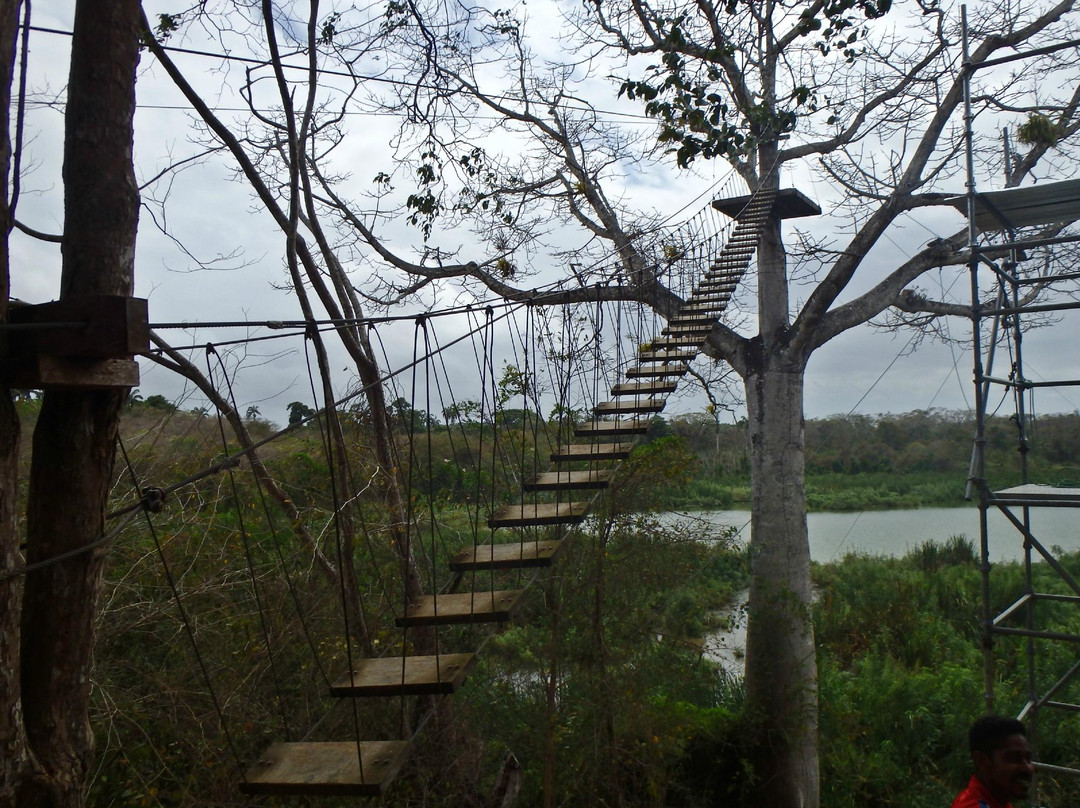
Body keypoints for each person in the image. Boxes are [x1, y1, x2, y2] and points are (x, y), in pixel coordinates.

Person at [951, 715, 1035, 808]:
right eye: (1014, 758)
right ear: (981, 760)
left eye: (1028, 759)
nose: (1027, 768)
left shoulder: (995, 801)